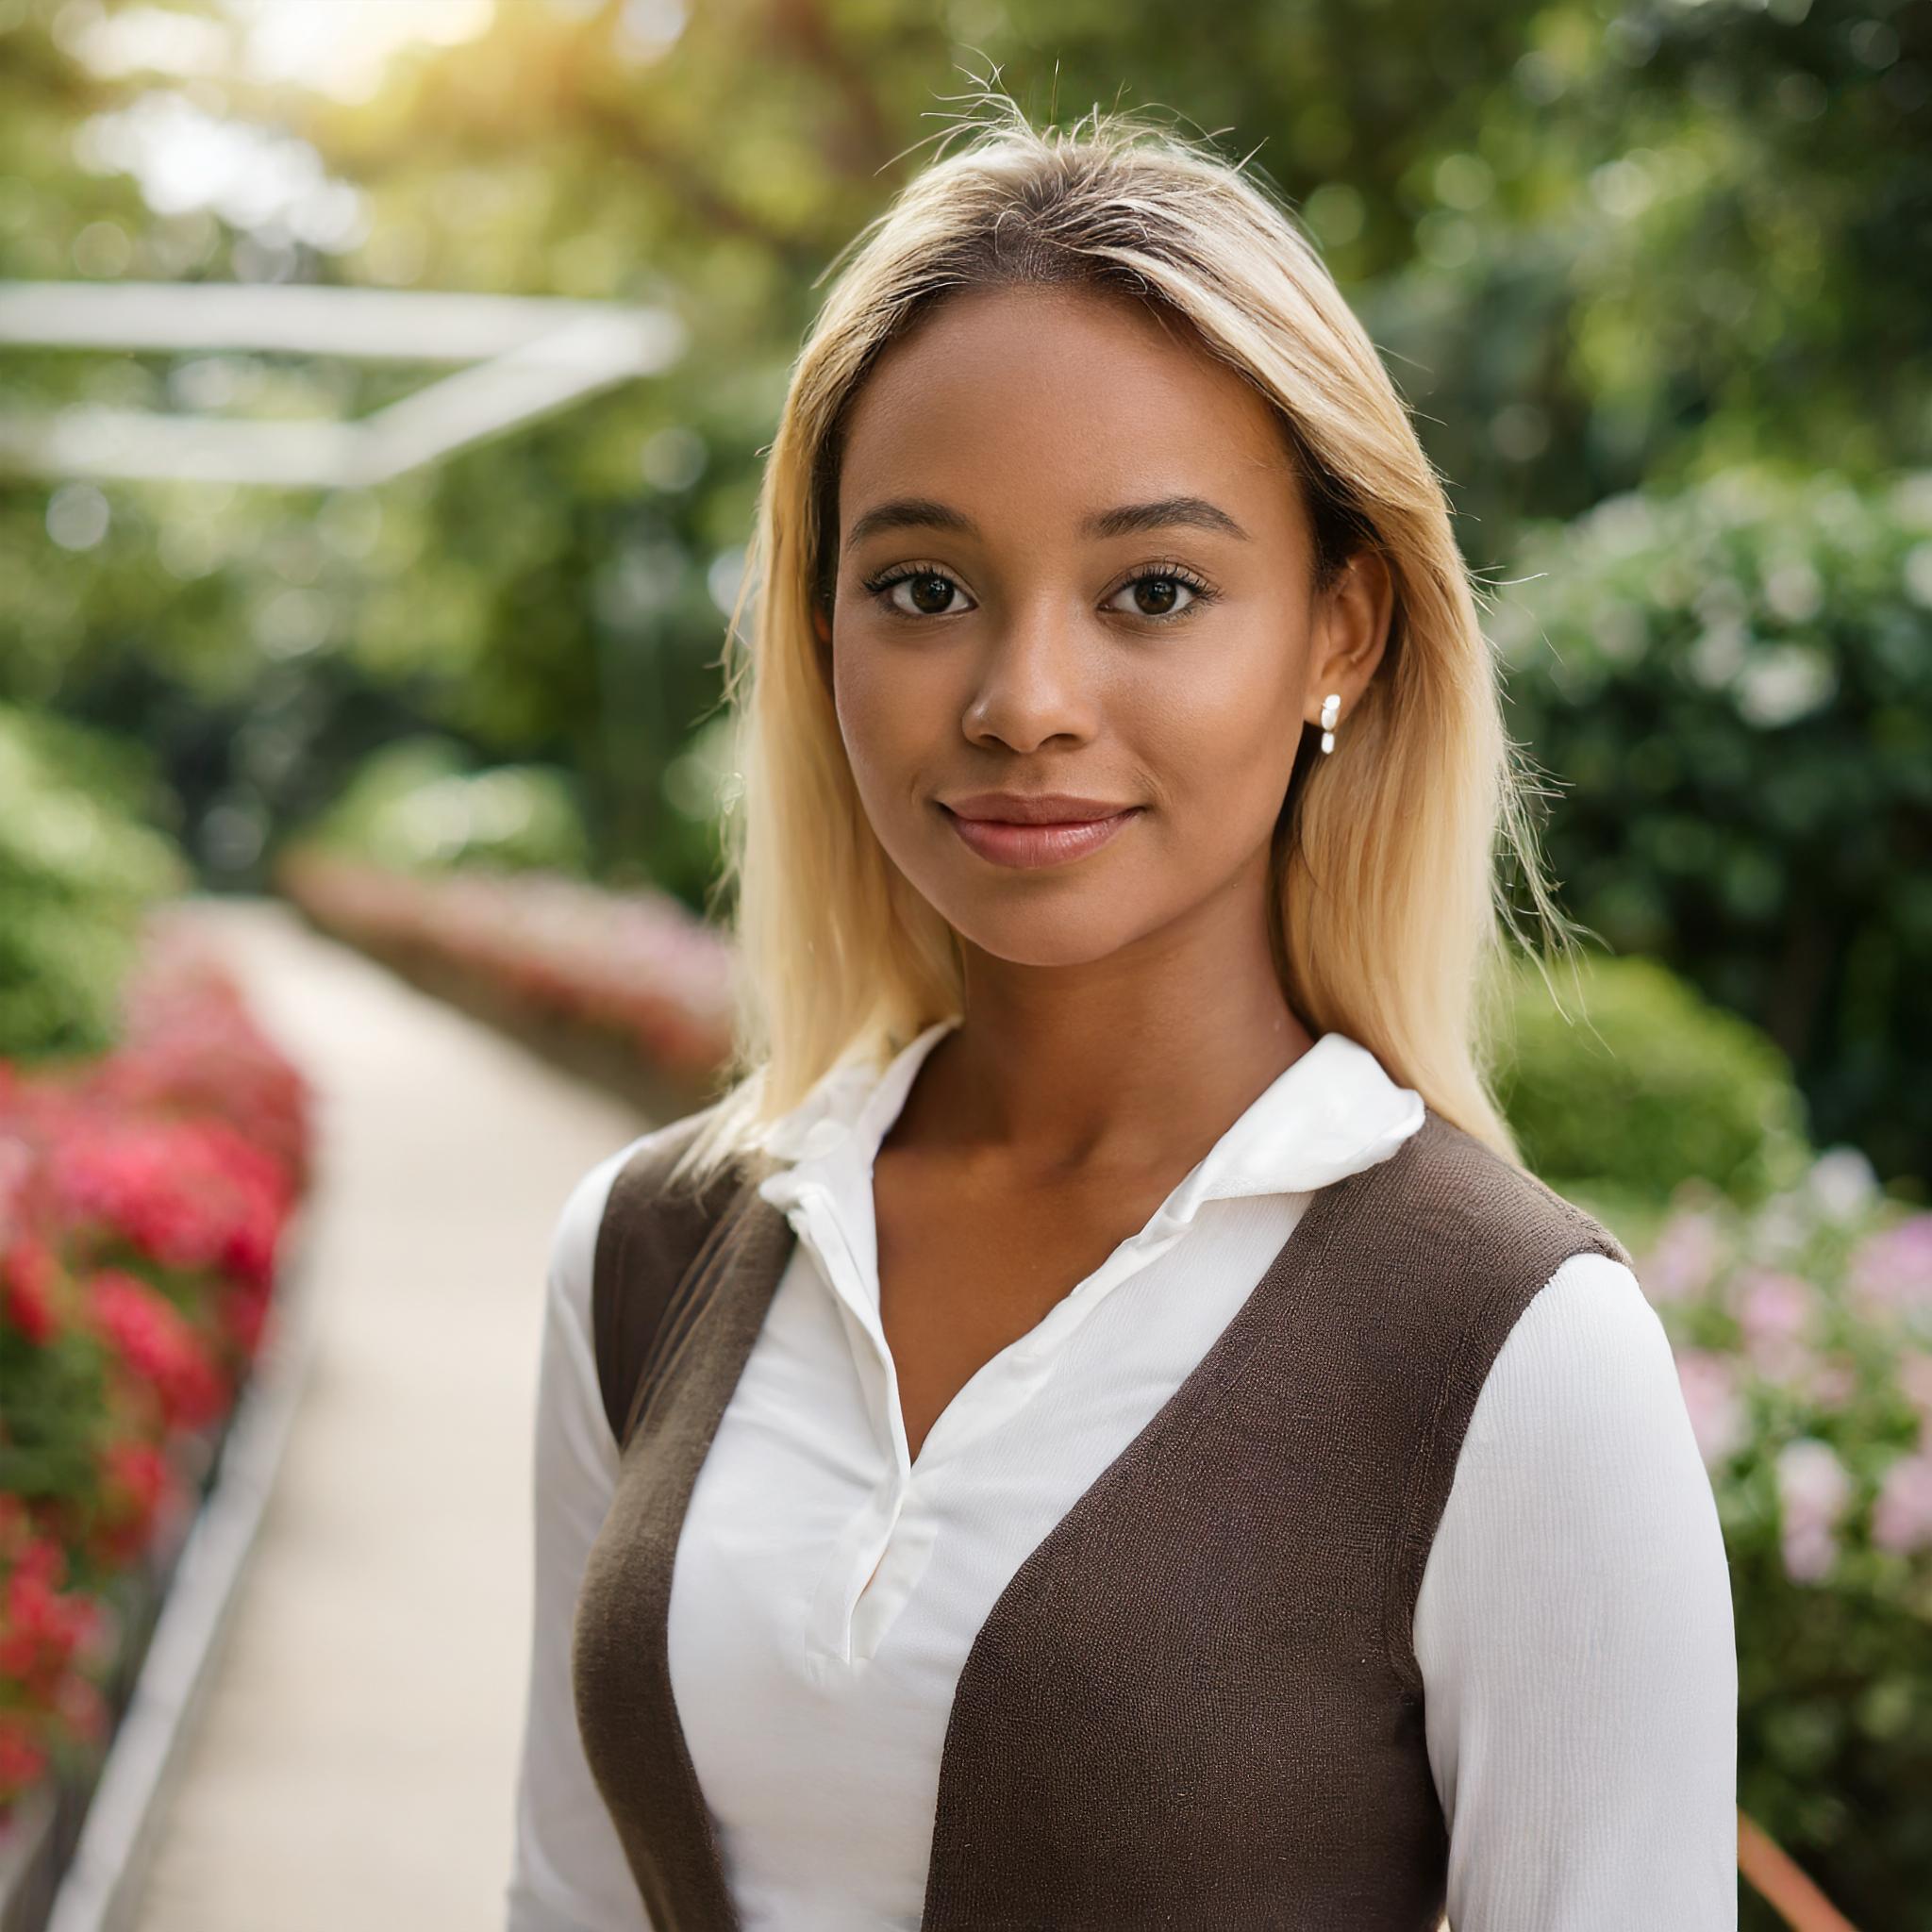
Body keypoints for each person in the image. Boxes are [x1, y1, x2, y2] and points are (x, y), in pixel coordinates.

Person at [506, 86, 1738, 1932]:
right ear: (819, 624)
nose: (1023, 696)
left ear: (1341, 628)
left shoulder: (1506, 1351)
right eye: (922, 587)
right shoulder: (645, 1260)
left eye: (1151, 588)